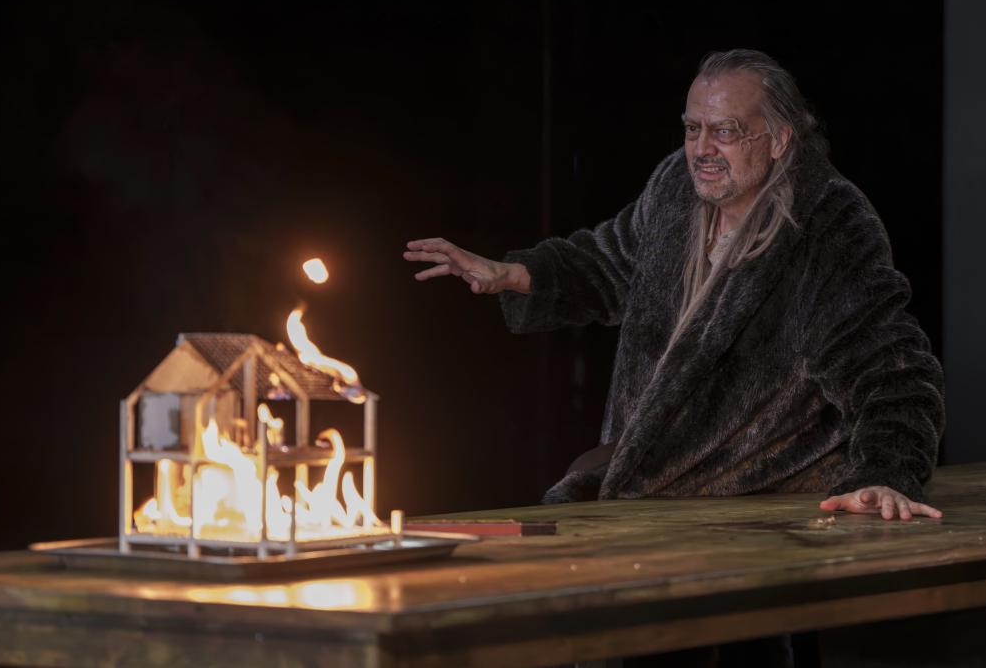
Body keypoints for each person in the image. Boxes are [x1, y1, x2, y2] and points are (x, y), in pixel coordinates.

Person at [403, 49, 944, 523]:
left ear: (779, 139)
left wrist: (886, 473)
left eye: (724, 131)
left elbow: (891, 370)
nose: (701, 149)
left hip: (759, 503)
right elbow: (609, 263)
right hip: (649, 488)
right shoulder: (675, 189)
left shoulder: (827, 223)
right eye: (692, 129)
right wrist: (511, 274)